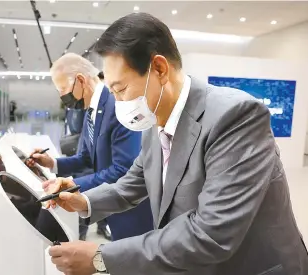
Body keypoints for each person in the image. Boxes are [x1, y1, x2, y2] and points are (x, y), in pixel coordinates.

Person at [44, 13, 308, 275]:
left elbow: (211, 233)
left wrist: (101, 257)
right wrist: (83, 201)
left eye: (121, 90)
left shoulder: (236, 118)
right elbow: (134, 183)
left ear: (159, 69)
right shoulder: (154, 120)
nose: (118, 103)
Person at [27, 53, 153, 241]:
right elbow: (86, 157)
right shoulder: (91, 111)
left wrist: (74, 186)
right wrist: (52, 163)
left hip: (131, 209)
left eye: (63, 89)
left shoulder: (117, 106)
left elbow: (123, 168)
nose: (63, 97)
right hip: (110, 205)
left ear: (80, 80)